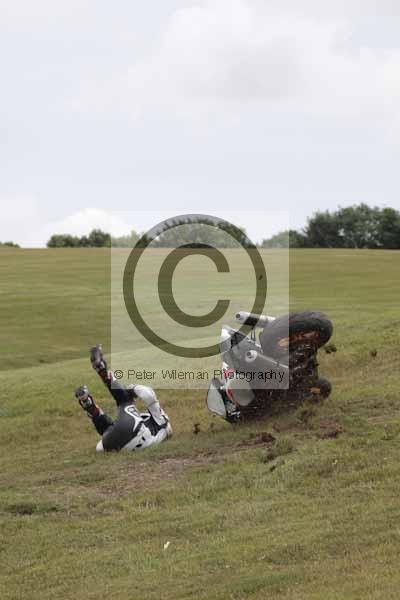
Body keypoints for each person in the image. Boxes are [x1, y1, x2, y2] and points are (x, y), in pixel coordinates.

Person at [75, 345, 172, 452]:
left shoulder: (162, 421)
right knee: (106, 433)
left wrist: (132, 389)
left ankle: (101, 369)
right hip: (117, 443)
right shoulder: (158, 433)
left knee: (124, 400)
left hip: (135, 431)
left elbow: (148, 395)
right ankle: (89, 405)